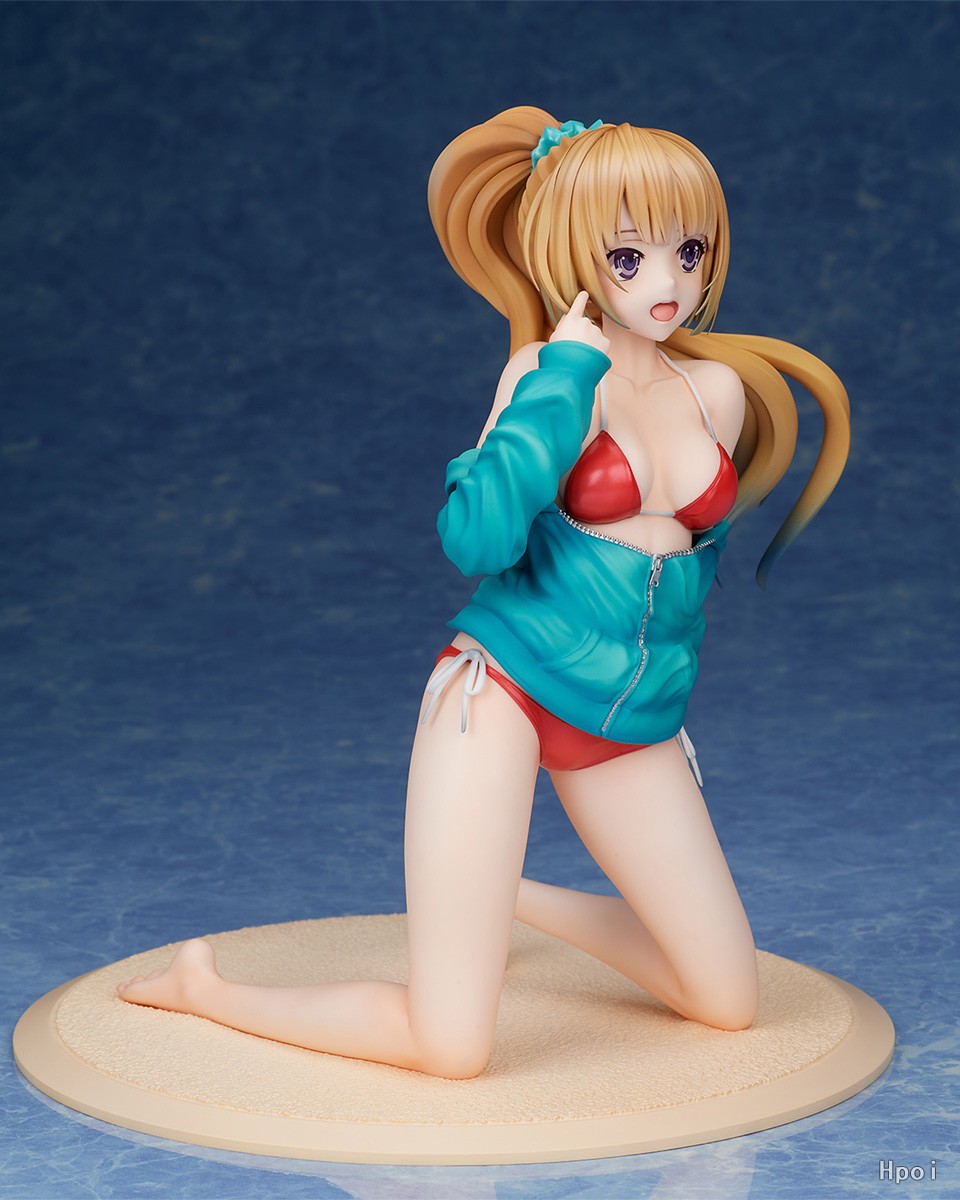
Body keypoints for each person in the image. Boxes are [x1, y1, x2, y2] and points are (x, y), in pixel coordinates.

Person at [119, 107, 850, 1080]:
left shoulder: (711, 391)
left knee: (726, 1000)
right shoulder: (546, 377)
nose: (668, 283)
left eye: (689, 251)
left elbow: (685, 562)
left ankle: (505, 896)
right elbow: (477, 537)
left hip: (631, 717)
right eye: (628, 258)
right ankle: (205, 989)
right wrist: (566, 373)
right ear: (574, 256)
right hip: (501, 692)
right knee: (451, 1047)